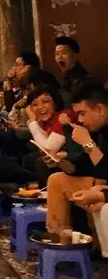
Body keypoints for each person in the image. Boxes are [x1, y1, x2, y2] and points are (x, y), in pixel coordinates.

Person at [46, 81, 108, 238]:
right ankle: (60, 239)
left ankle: (97, 244)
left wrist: (88, 144)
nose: (80, 119)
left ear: (100, 109)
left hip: (104, 188)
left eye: (82, 113)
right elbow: (85, 164)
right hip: (99, 184)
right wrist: (61, 162)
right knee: (56, 180)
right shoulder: (97, 129)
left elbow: (105, 171)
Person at [54, 35, 88, 103]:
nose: (59, 57)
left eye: (64, 53)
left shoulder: (81, 79)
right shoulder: (66, 78)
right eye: (57, 54)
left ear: (75, 56)